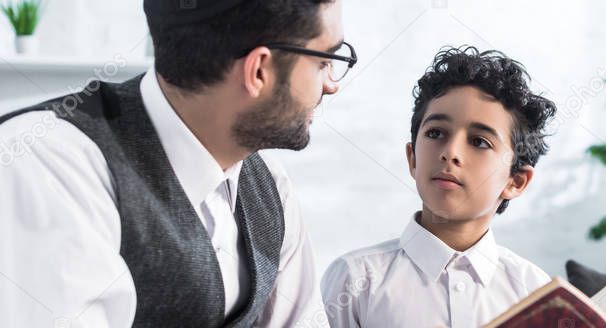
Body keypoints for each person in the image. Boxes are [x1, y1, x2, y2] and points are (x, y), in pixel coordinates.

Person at [0, 0, 354, 326]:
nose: (331, 85)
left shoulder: (270, 186)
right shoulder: (48, 167)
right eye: (324, 61)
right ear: (258, 70)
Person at [320, 46, 558, 328]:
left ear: (515, 181)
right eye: (436, 133)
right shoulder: (356, 280)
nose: (450, 152)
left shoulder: (535, 293)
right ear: (413, 158)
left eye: (480, 142)